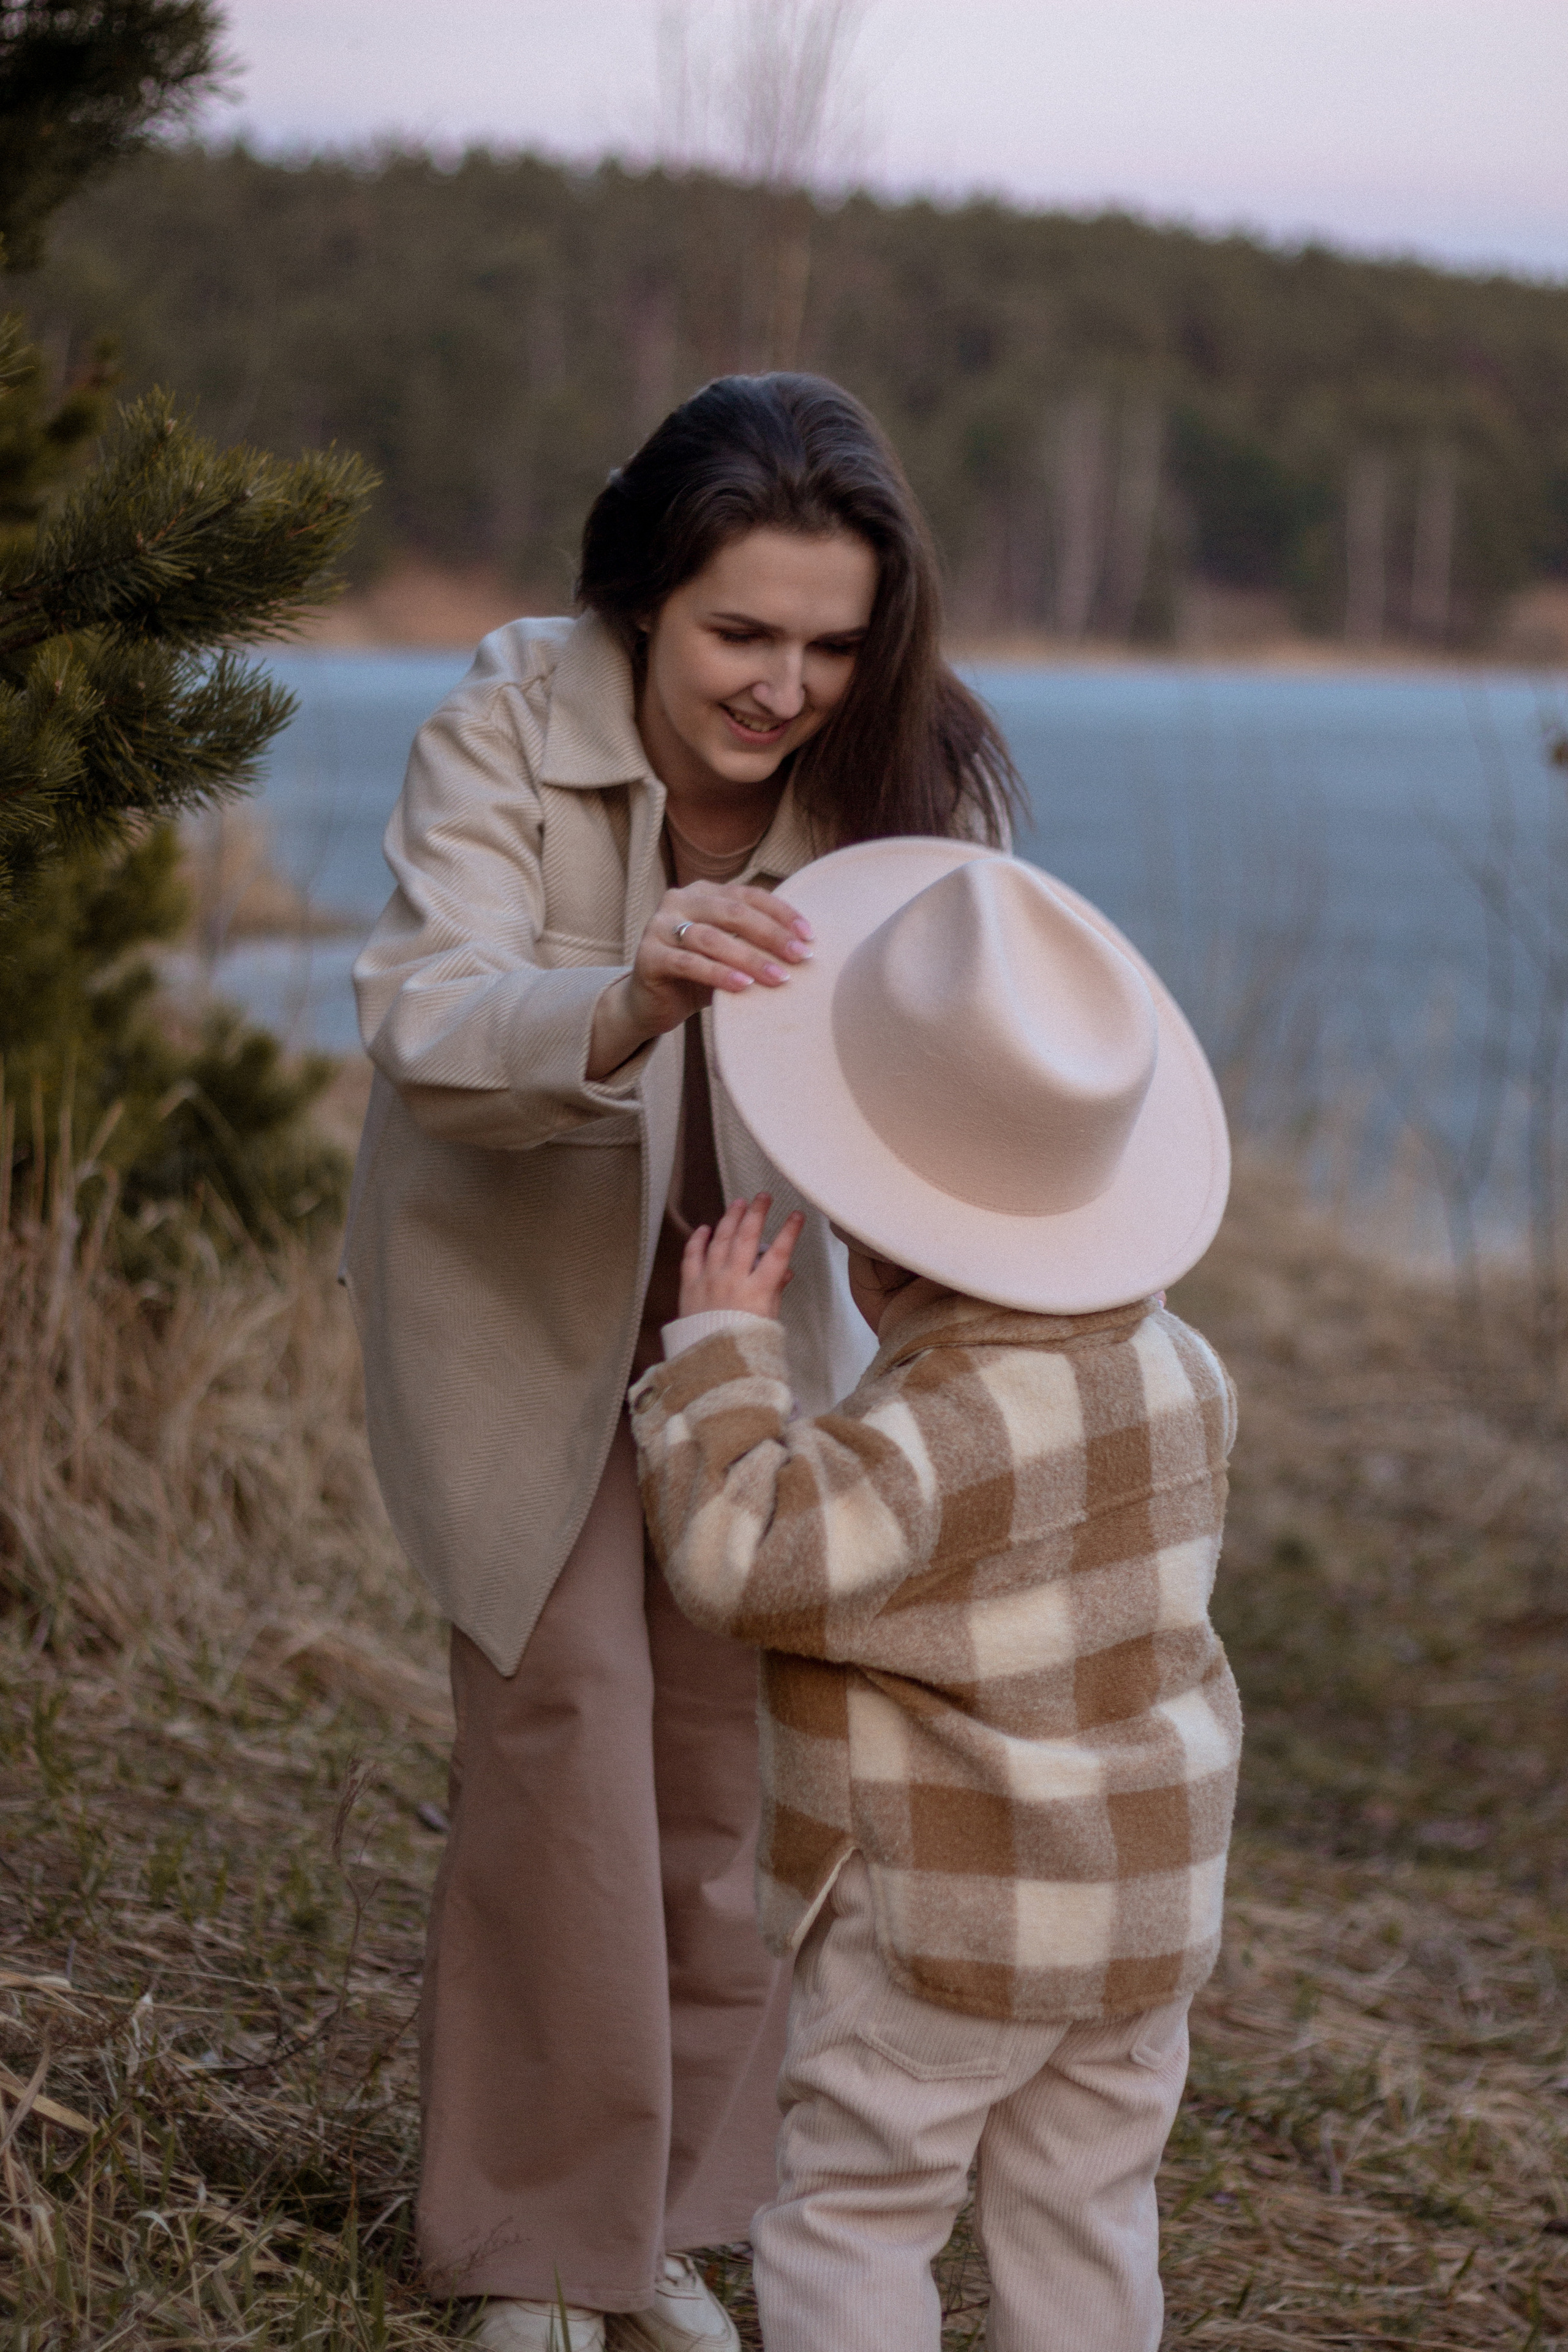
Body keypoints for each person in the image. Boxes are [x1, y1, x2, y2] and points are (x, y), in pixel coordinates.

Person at [342, 375, 1020, 2350]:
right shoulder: (502, 714)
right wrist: (636, 986)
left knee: (729, 1757)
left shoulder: (911, 766)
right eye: (742, 632)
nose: (786, 686)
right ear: (642, 594)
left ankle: (680, 2225)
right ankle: (542, 2258)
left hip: (769, 1309)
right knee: (566, 1733)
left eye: (832, 642)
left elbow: (962, 1061)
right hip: (515, 1284)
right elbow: (423, 1010)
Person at [629, 840, 1241, 2352]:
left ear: (878, 1251)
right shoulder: (1186, 1370)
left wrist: (718, 1352)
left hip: (948, 1914)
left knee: (855, 2207)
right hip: (1143, 1903)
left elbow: (742, 1561)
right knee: (1084, 2209)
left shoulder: (927, 1441)